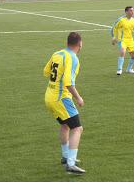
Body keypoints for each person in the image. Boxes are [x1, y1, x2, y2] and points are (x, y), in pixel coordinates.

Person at [43, 32, 85, 175]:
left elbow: (46, 71)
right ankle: (71, 164)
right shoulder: (72, 58)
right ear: (80, 44)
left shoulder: (58, 53)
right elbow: (68, 83)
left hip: (49, 96)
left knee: (65, 125)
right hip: (61, 98)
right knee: (77, 128)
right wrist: (78, 98)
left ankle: (66, 156)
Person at [111, 6, 134, 75]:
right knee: (122, 52)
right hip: (122, 40)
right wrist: (113, 37)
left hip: (130, 40)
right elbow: (114, 28)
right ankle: (119, 69)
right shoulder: (121, 20)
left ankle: (129, 69)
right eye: (131, 10)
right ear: (126, 12)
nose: (132, 12)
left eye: (133, 10)